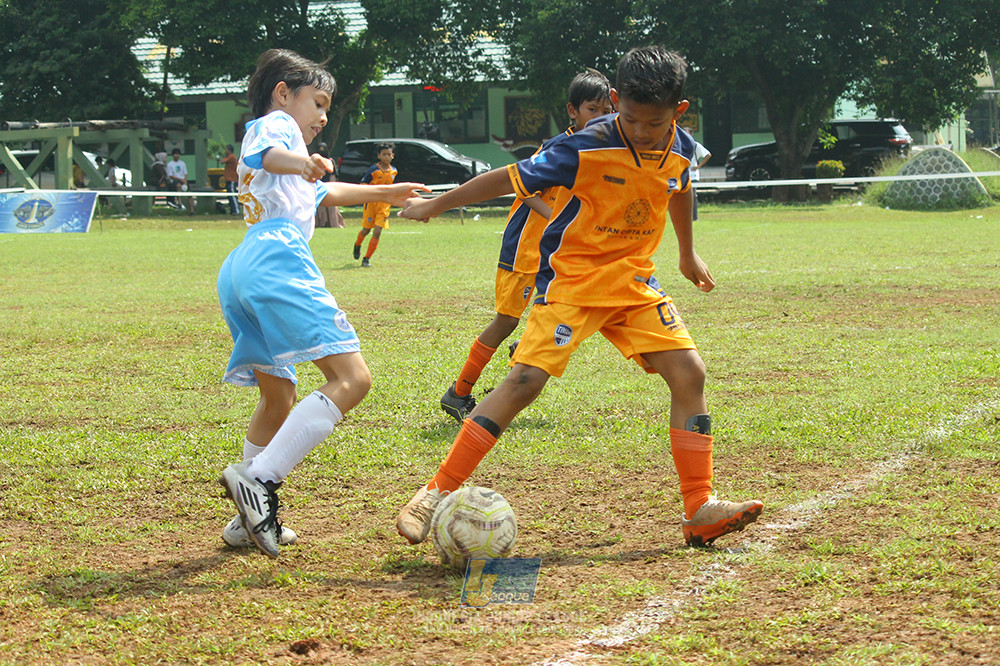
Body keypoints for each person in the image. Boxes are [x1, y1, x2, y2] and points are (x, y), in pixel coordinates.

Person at [396, 46, 763, 549]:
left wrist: (686, 252)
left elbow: (679, 186)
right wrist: (437, 205)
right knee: (524, 381)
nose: (641, 131)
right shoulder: (585, 146)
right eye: (630, 118)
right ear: (614, 100)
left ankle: (699, 507)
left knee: (689, 373)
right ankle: (434, 492)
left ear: (679, 111)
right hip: (573, 281)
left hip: (633, 282)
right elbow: (510, 178)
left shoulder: (681, 145)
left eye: (654, 122)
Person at [216, 48, 427, 559]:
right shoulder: (276, 127)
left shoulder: (292, 169)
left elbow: (327, 193)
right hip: (277, 260)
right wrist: (303, 160)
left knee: (278, 397)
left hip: (242, 267)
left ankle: (246, 519)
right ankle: (259, 481)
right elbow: (267, 153)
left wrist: (390, 192)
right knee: (353, 379)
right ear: (283, 93)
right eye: (318, 102)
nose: (323, 116)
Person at [439, 68, 614, 422]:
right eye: (593, 109)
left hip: (560, 251)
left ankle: (527, 348)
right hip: (527, 247)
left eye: (606, 110)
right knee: (506, 320)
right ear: (573, 111)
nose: (601, 117)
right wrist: (557, 218)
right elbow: (524, 189)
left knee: (583, 304)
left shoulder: (601, 149)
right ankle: (458, 393)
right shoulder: (558, 147)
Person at [352, 143, 397, 267]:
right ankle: (357, 244)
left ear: (393, 156)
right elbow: (363, 183)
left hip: (384, 205)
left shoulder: (394, 171)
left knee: (377, 231)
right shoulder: (374, 170)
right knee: (366, 230)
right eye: (384, 154)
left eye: (389, 154)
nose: (386, 157)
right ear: (379, 156)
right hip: (371, 203)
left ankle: (366, 258)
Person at [314, 142, 345, 228]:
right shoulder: (316, 161)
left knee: (331, 205)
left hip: (329, 183)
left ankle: (333, 223)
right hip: (319, 182)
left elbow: (334, 173)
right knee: (320, 205)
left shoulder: (330, 161)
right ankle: (321, 223)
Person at [685, 127, 711, 221]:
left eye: (687, 133)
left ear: (691, 135)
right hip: (683, 174)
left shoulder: (696, 145)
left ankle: (694, 217)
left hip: (693, 175)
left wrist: (699, 166)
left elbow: (708, 154)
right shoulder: (680, 145)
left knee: (692, 196)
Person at [165, 148, 194, 213]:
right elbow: (170, 175)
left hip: (183, 180)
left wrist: (185, 181)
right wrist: (180, 179)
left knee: (189, 193)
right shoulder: (170, 164)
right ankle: (179, 203)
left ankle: (191, 210)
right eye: (175, 154)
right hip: (174, 181)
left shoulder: (182, 163)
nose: (177, 155)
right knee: (178, 186)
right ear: (173, 155)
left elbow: (185, 173)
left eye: (178, 154)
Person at [221, 144, 240, 215]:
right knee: (230, 196)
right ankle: (232, 210)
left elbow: (222, 161)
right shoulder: (229, 157)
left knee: (232, 195)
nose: (225, 151)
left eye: (226, 149)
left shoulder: (231, 157)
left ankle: (236, 210)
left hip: (232, 179)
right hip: (229, 179)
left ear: (229, 150)